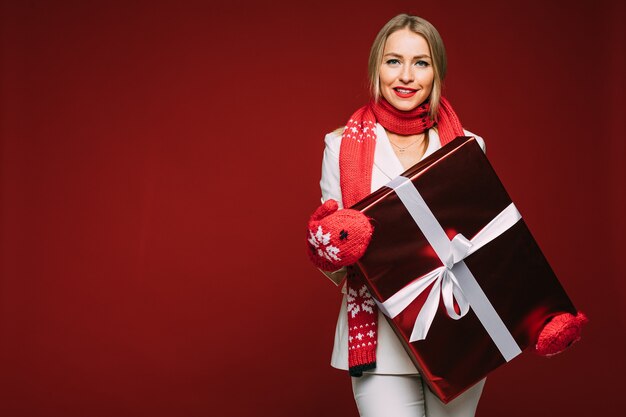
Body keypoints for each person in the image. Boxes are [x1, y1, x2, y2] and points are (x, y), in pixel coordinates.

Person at [306, 13, 586, 417]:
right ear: (376, 68)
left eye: (421, 62)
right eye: (393, 60)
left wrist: (542, 317)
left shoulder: (469, 146)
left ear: (437, 71)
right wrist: (329, 247)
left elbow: (495, 247)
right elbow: (337, 261)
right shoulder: (339, 146)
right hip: (382, 342)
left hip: (461, 332)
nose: (406, 75)